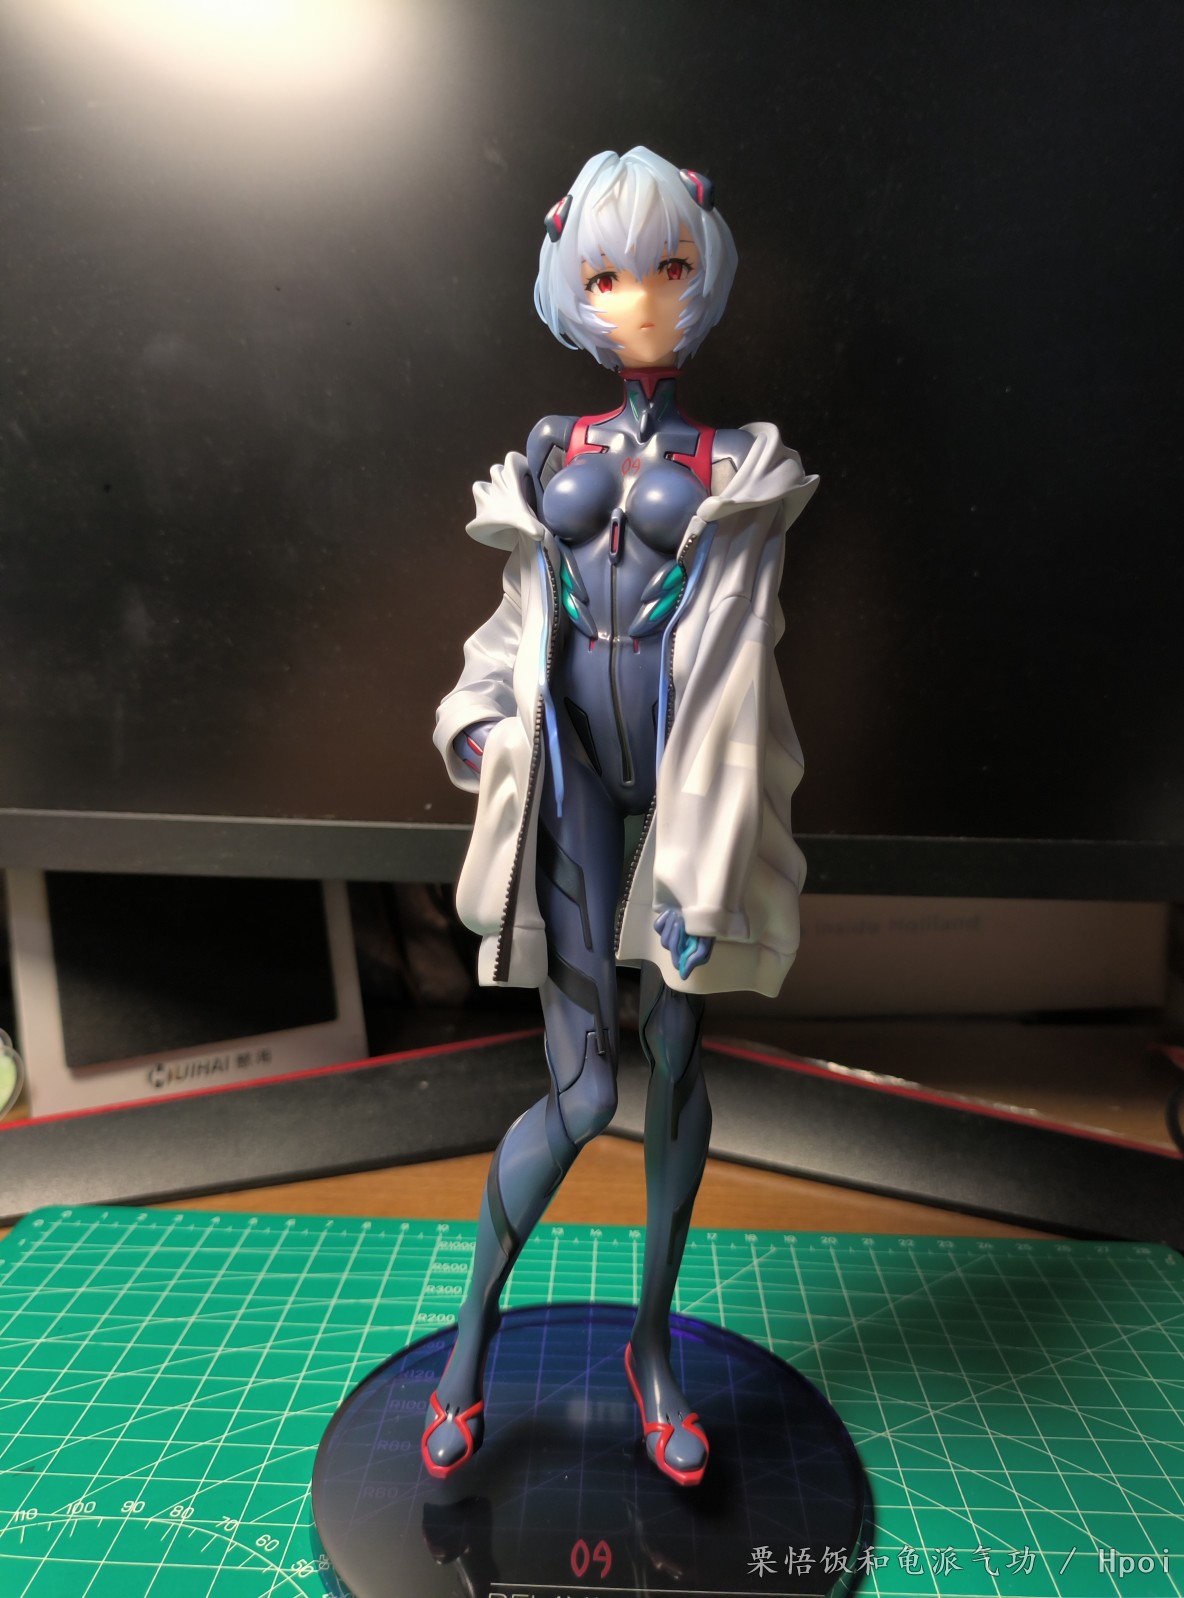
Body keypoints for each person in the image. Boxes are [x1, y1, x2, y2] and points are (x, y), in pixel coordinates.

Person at [429, 146, 818, 1486]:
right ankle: (468, 1349)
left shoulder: (738, 462)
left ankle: (654, 1350)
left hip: (690, 796)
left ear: (704, 273)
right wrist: (476, 718)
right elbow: (515, 621)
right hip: (577, 789)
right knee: (584, 1087)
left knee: (677, 1061)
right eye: (604, 274)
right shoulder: (553, 449)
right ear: (568, 283)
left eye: (666, 267)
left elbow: (743, 670)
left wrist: (717, 867)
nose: (638, 299)